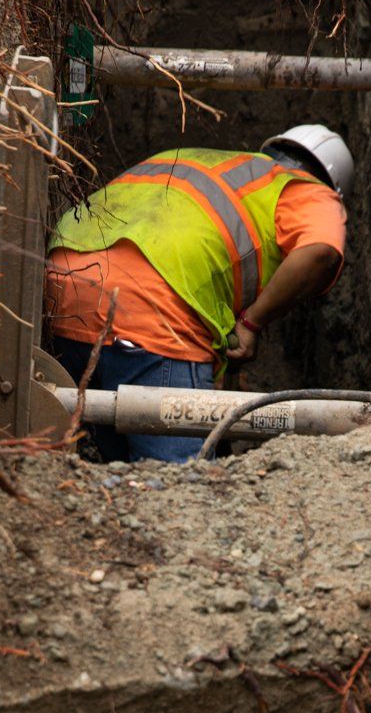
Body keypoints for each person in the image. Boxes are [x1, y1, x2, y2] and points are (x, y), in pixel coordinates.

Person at [45, 124, 353, 462]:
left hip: (62, 292)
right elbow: (321, 251)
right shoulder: (309, 190)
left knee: (112, 473)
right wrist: (252, 324)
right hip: (151, 311)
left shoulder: (203, 163)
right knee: (174, 482)